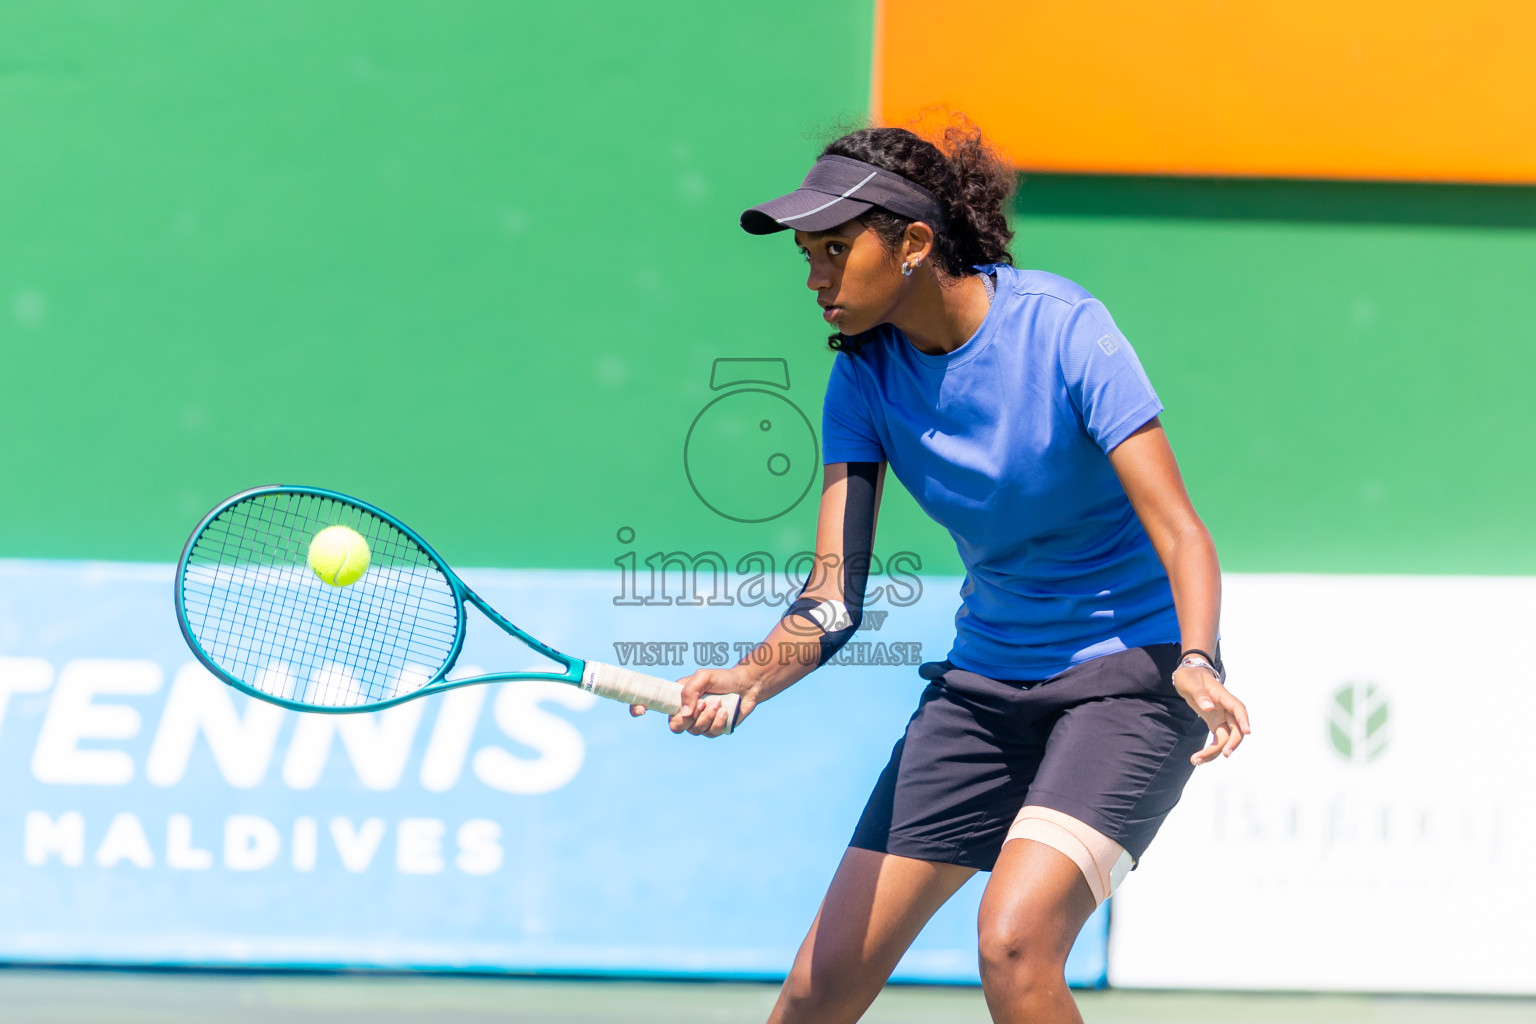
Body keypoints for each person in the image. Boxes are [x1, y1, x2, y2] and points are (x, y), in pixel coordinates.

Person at [632, 121, 1251, 1024]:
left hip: (1131, 680)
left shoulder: (1062, 328)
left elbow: (1180, 530)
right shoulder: (863, 383)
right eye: (807, 257)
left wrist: (1199, 657)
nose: (816, 280)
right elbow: (833, 599)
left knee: (1015, 941)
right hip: (984, 687)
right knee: (818, 990)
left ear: (915, 243)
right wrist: (750, 677)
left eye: (837, 251)